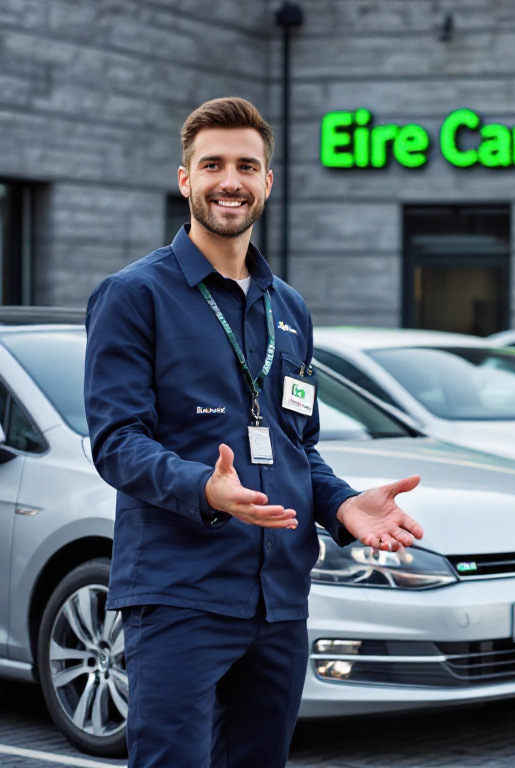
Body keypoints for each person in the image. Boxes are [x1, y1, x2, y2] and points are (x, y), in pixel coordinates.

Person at [83, 96, 424, 768]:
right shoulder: (134, 295)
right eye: (212, 165)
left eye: (246, 165)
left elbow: (299, 444)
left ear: (269, 181)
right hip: (180, 596)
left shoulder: (287, 306)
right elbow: (116, 441)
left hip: (280, 601)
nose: (229, 180)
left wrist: (342, 505)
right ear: (186, 179)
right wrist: (204, 492)